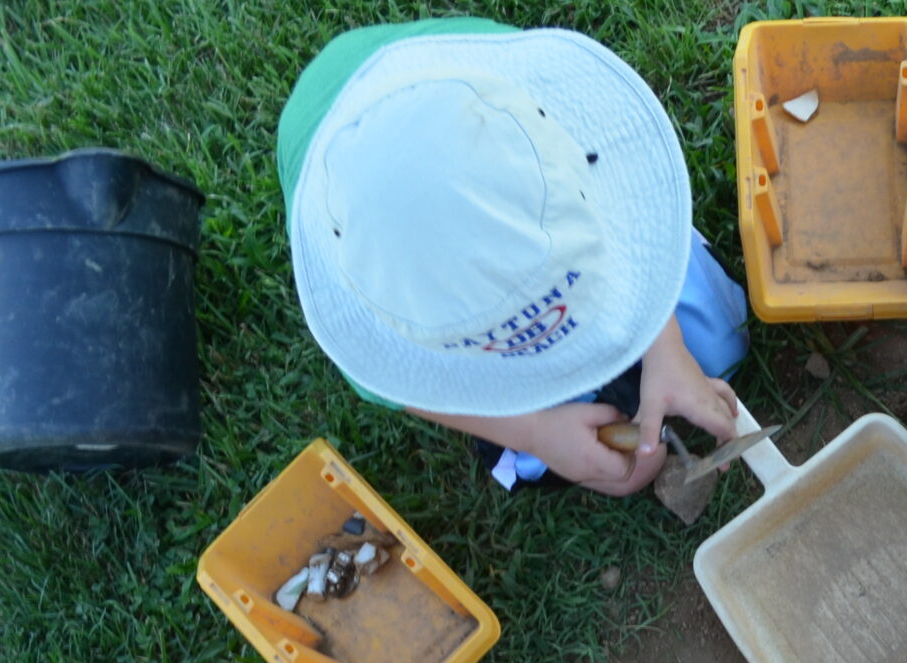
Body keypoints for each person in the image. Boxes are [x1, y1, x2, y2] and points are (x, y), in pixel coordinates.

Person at [277, 21, 747, 496]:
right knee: (601, 466)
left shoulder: (520, 131)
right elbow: (400, 391)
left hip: (471, 113)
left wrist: (666, 347)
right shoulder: (384, 293)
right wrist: (535, 432)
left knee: (719, 345)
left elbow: (625, 215)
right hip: (387, 220)